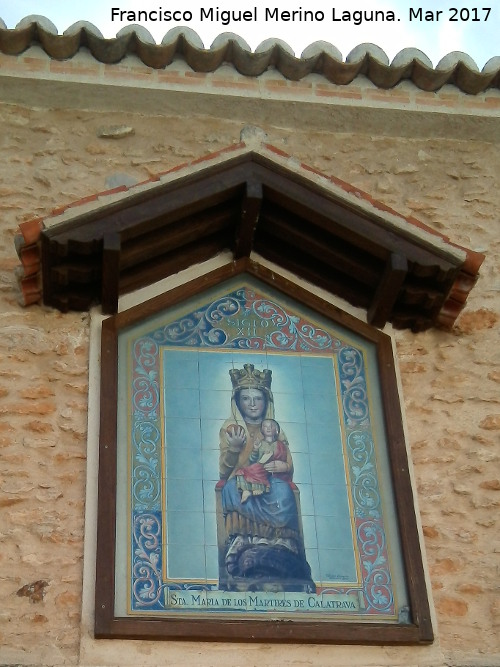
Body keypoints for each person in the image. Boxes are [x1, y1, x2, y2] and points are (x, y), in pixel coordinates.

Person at [218, 363, 314, 590]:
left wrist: (281, 465)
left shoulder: (276, 430)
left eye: (257, 398)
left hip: (272, 481)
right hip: (242, 478)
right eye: (246, 398)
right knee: (232, 489)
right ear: (237, 402)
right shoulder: (230, 429)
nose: (252, 404)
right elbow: (224, 470)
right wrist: (234, 448)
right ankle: (243, 543)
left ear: (266, 401)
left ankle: (282, 545)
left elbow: (288, 463)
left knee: (284, 493)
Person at [235, 418, 290, 503]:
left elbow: (283, 459)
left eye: (271, 426)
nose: (268, 428)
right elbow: (252, 460)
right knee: (242, 471)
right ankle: (246, 490)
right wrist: (256, 450)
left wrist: (280, 464)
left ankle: (258, 488)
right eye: (265, 426)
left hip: (272, 471)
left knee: (255, 471)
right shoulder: (260, 444)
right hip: (260, 466)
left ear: (276, 430)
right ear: (262, 429)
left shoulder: (280, 445)